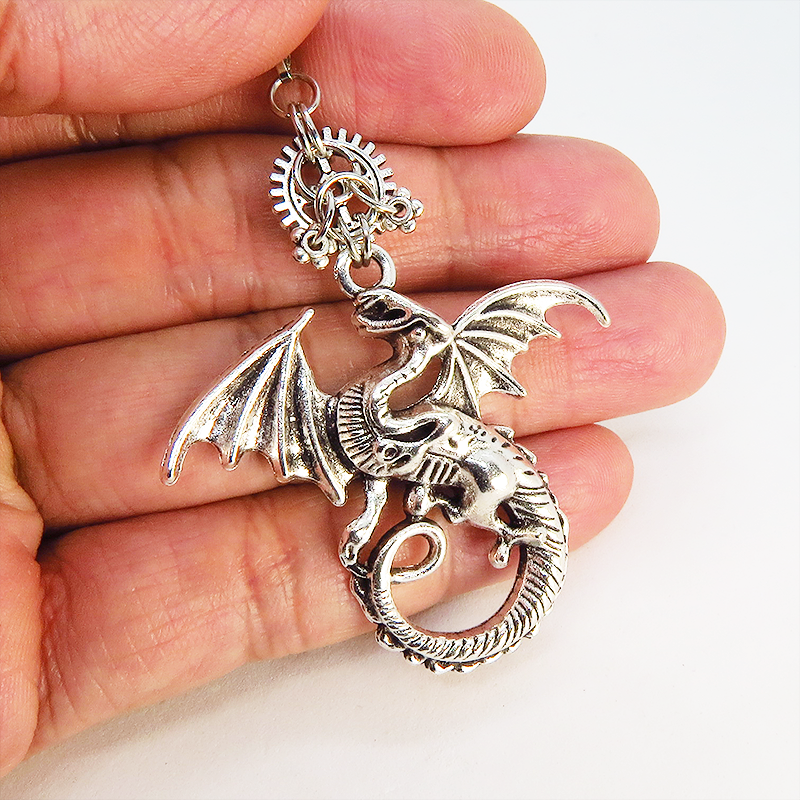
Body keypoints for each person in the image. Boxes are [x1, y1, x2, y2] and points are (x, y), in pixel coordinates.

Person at [0, 0, 724, 776]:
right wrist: (379, 525)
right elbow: (380, 473)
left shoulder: (430, 382)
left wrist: (443, 495)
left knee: (466, 484)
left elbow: (400, 459)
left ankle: (495, 529)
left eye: (406, 335)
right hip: (427, 471)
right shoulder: (359, 409)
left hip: (488, 485)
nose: (395, 334)